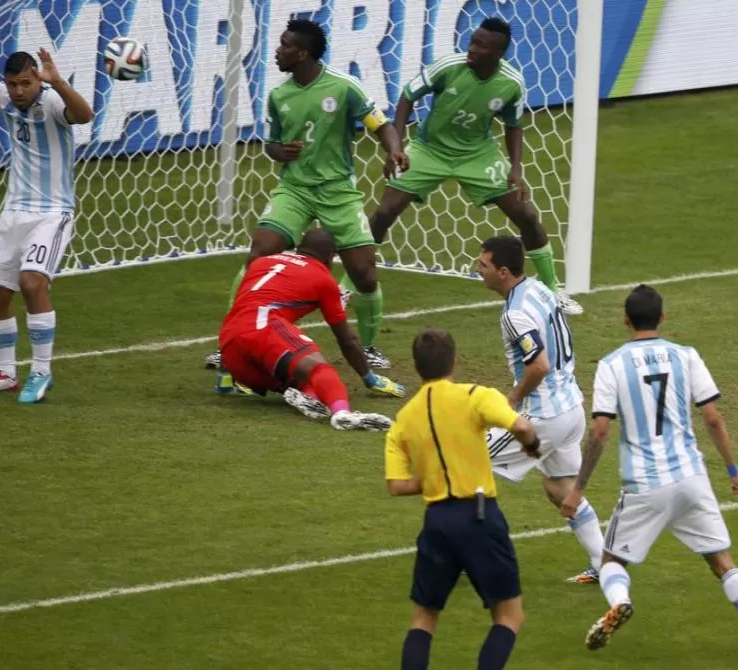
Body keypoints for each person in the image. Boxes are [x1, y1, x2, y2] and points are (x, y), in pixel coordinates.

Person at [561, 284, 738, 659]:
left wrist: (578, 489)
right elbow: (712, 417)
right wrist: (733, 469)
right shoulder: (687, 356)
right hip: (692, 479)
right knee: (721, 561)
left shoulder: (612, 365)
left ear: (625, 320)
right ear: (662, 318)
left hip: (645, 483)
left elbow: (599, 431)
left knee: (613, 560)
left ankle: (620, 601)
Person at [206, 18, 409, 372]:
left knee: (364, 275)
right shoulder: (278, 95)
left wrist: (393, 150)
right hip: (295, 189)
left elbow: (383, 125)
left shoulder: (345, 88)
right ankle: (229, 343)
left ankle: (371, 348)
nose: (278, 51)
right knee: (259, 255)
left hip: (338, 192)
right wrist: (278, 151)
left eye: (285, 45)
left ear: (303, 53)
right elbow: (271, 142)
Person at [369, 17, 582, 316]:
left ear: (498, 52)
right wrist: (398, 146)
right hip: (429, 150)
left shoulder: (511, 83)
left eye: (482, 45)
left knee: (527, 215)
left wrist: (516, 168)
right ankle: (350, 284)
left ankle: (552, 290)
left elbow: (513, 125)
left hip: (477, 155)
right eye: (473, 41)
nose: (473, 49)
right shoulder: (449, 66)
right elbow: (407, 95)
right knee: (384, 212)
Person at [0, 16, 94, 403]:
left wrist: (59, 82)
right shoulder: (3, 96)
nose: (17, 91)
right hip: (14, 210)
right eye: (13, 84)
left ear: (37, 79)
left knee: (32, 283)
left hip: (53, 212)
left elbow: (84, 116)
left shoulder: (51, 102)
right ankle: (5, 372)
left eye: (25, 83)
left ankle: (41, 372)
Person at [386, 328, 541, 670]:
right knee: (508, 616)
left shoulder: (404, 419)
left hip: (437, 520)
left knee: (424, 618)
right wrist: (531, 446)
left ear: (415, 366)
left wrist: (432, 479)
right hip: (479, 515)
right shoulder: (475, 395)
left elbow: (396, 485)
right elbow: (522, 426)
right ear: (454, 361)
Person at [476, 236, 605, 584]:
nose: (477, 269)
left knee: (468, 463)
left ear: (503, 272)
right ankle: (605, 564)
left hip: (542, 416)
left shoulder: (515, 313)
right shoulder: (541, 290)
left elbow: (539, 365)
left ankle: (473, 555)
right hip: (571, 409)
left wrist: (514, 398)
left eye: (483, 265)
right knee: (559, 487)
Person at [219, 229, 406, 431]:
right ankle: (342, 414)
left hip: (231, 347)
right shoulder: (322, 278)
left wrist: (225, 376)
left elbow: (240, 307)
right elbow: (347, 339)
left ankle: (308, 396)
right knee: (319, 369)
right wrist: (369, 377)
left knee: (304, 380)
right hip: (263, 327)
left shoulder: (262, 262)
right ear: (330, 256)